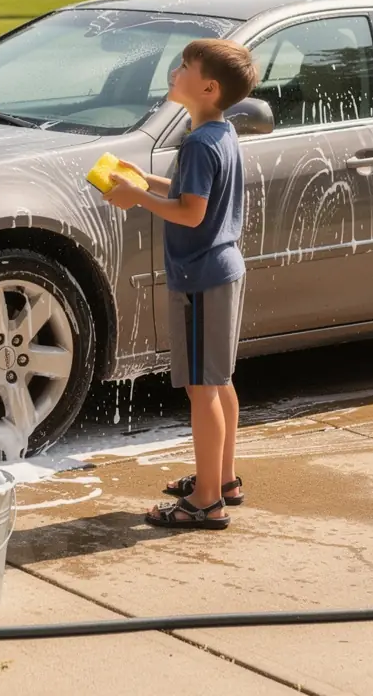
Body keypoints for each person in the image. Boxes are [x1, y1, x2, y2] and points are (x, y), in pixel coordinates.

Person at [101, 38, 257, 530]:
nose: (175, 71)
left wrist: (135, 199)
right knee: (220, 381)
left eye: (185, 66)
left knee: (200, 388)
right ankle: (223, 479)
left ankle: (205, 501)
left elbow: (192, 213)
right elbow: (195, 194)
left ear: (208, 87)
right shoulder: (219, 133)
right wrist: (146, 181)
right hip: (224, 269)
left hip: (200, 278)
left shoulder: (195, 142)